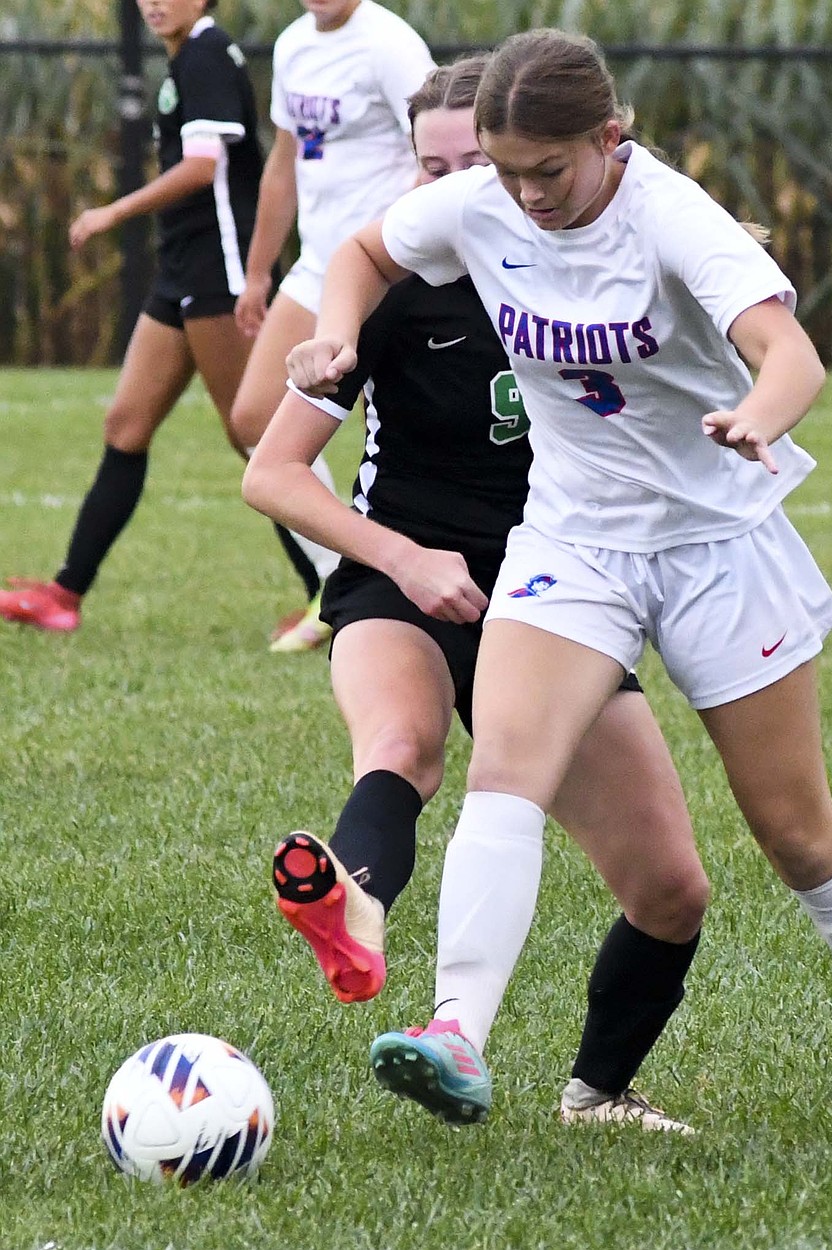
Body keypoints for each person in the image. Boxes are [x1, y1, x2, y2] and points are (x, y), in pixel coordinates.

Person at [287, 28, 832, 1136]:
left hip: (715, 542)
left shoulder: (670, 217)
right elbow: (364, 253)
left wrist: (755, 415)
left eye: (546, 172)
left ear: (610, 138)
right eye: (503, 173)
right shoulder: (481, 204)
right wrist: (330, 337)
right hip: (571, 537)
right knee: (504, 770)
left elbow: (787, 350)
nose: (522, 196)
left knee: (796, 834)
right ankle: (453, 1029)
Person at [243, 56, 710, 1132]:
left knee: (670, 887)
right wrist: (401, 558)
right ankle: (351, 909)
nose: (455, 190)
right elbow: (270, 474)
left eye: (477, 167)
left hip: (559, 599)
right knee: (400, 746)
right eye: (433, 167)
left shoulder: (583, 271)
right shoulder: (385, 294)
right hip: (400, 583)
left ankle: (596, 1094)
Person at [0, 0, 310, 636]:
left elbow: (203, 168)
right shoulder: (184, 59)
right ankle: (65, 594)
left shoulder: (203, 54)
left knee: (255, 435)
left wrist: (112, 213)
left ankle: (335, 596)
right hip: (181, 270)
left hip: (218, 270)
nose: (154, 2)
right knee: (126, 423)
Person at [229, 0, 435, 652]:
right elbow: (285, 161)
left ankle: (407, 583)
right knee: (254, 419)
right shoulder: (293, 44)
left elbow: (437, 151)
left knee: (408, 436)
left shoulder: (389, 43)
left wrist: (400, 240)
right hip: (317, 264)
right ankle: (340, 576)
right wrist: (259, 270)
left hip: (384, 265)